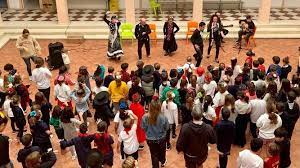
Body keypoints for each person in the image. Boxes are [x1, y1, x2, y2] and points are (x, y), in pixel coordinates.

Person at [141, 97, 169, 168]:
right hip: (161, 138)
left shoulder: (145, 117)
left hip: (150, 140)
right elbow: (167, 128)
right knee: (162, 152)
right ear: (159, 107)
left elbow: (143, 128)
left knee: (153, 154)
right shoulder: (163, 117)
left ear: (150, 107)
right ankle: (163, 161)